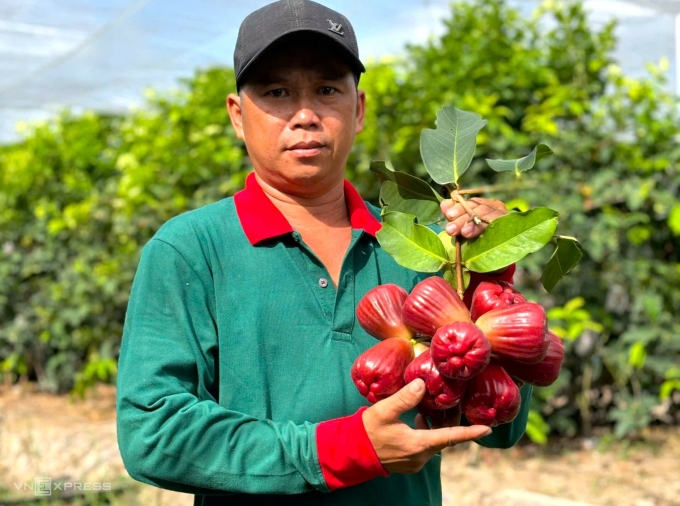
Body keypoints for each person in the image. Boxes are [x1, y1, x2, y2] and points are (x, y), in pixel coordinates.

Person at [115, 1, 532, 505]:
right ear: (237, 115)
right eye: (277, 92)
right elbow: (153, 433)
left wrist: (493, 281)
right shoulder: (190, 250)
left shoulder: (423, 248)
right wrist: (345, 450)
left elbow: (499, 424)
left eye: (327, 90)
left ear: (357, 111)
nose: (306, 115)